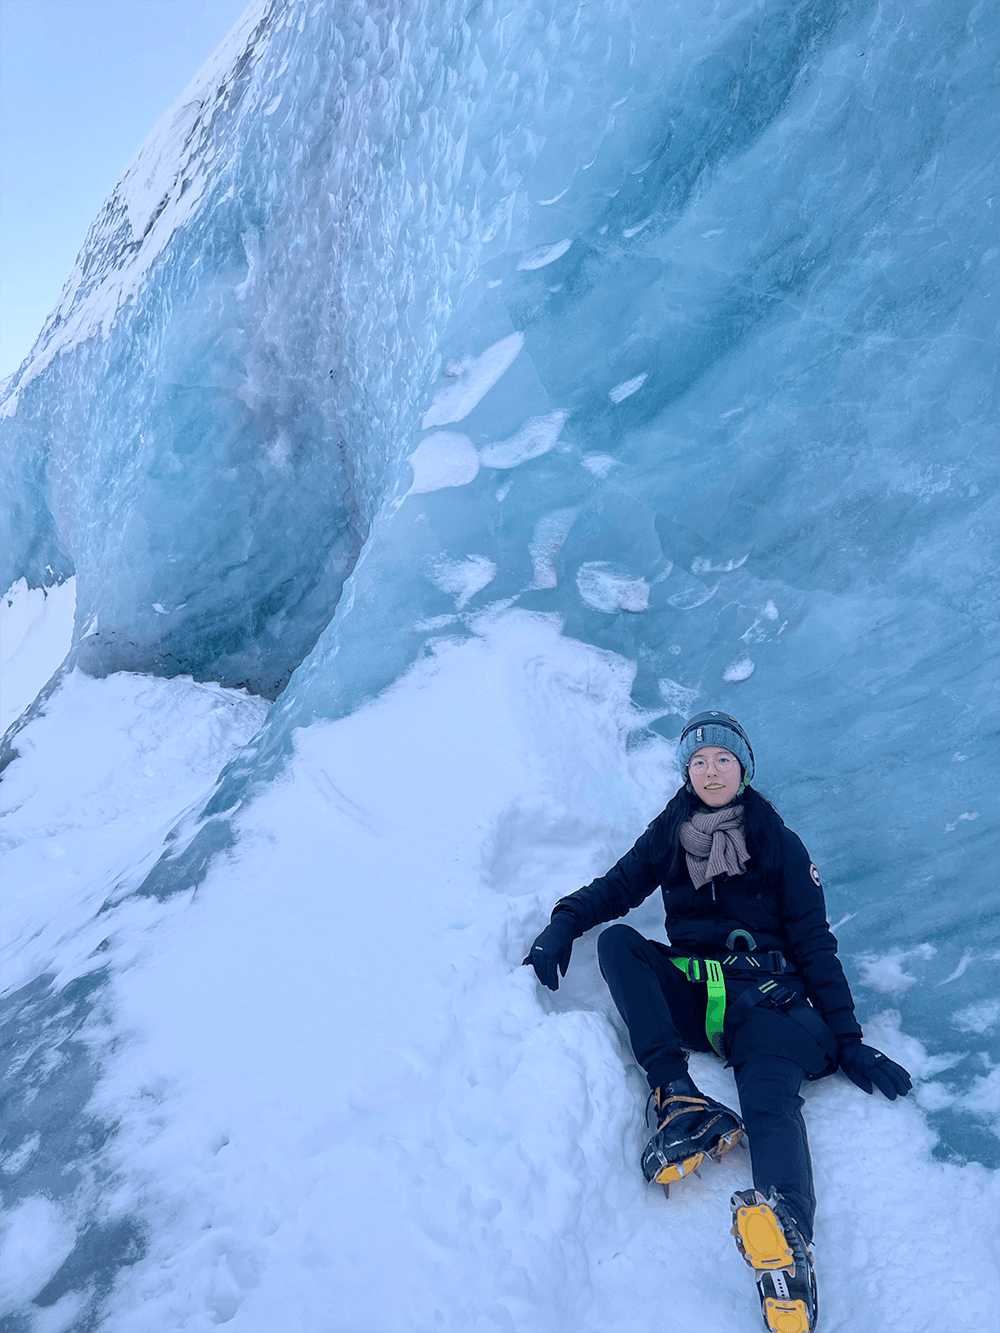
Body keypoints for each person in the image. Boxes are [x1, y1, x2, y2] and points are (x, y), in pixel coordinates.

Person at [526, 710, 911, 1333]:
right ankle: (679, 1098)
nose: (710, 770)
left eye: (722, 759)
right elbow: (617, 887)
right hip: (705, 992)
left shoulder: (777, 841)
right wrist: (564, 921)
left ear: (744, 768)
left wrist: (851, 1041)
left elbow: (815, 943)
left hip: (770, 997)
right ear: (686, 771)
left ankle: (788, 1246)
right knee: (621, 943)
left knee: (768, 1102)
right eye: (698, 761)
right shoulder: (670, 832)